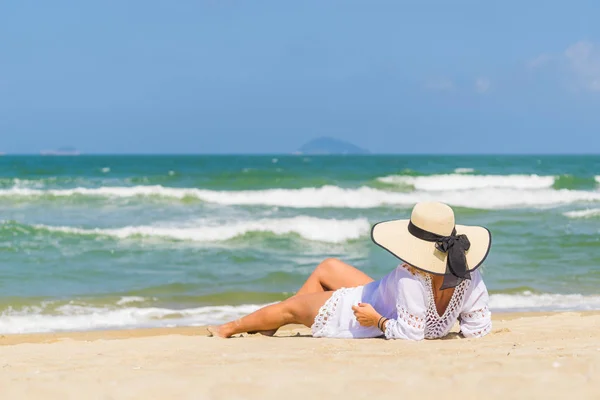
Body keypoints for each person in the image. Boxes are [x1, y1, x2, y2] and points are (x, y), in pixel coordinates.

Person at [208, 201, 493, 340]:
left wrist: (377, 320)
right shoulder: (470, 274)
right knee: (328, 267)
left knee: (292, 308)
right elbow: (477, 329)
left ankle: (230, 328)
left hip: (361, 311)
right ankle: (271, 326)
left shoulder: (410, 277)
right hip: (385, 295)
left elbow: (410, 335)